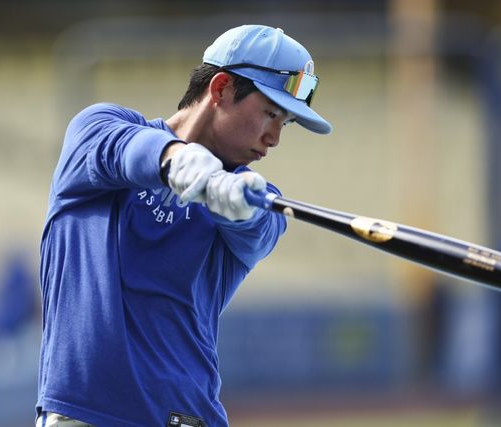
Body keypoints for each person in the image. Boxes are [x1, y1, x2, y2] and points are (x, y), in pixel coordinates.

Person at [36, 24, 332, 427]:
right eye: (270, 113)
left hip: (190, 418)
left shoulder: (250, 195)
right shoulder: (100, 127)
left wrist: (241, 208)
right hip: (87, 416)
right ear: (221, 88)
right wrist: (176, 159)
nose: (275, 137)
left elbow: (261, 231)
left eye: (285, 124)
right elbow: (117, 149)